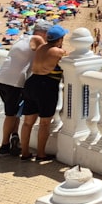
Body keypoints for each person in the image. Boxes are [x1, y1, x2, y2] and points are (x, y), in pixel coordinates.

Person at [0, 19, 52, 156]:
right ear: (44, 33)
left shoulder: (24, 37)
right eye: (49, 34)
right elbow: (45, 52)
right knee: (10, 114)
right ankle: (4, 145)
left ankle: (14, 137)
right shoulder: (37, 39)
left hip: (3, 78)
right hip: (13, 82)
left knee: (15, 112)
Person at [19, 25, 68, 161]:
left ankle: (24, 152)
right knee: (44, 122)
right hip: (46, 86)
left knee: (27, 122)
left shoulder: (41, 48)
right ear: (59, 40)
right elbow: (69, 58)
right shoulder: (58, 52)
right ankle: (41, 154)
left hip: (32, 83)